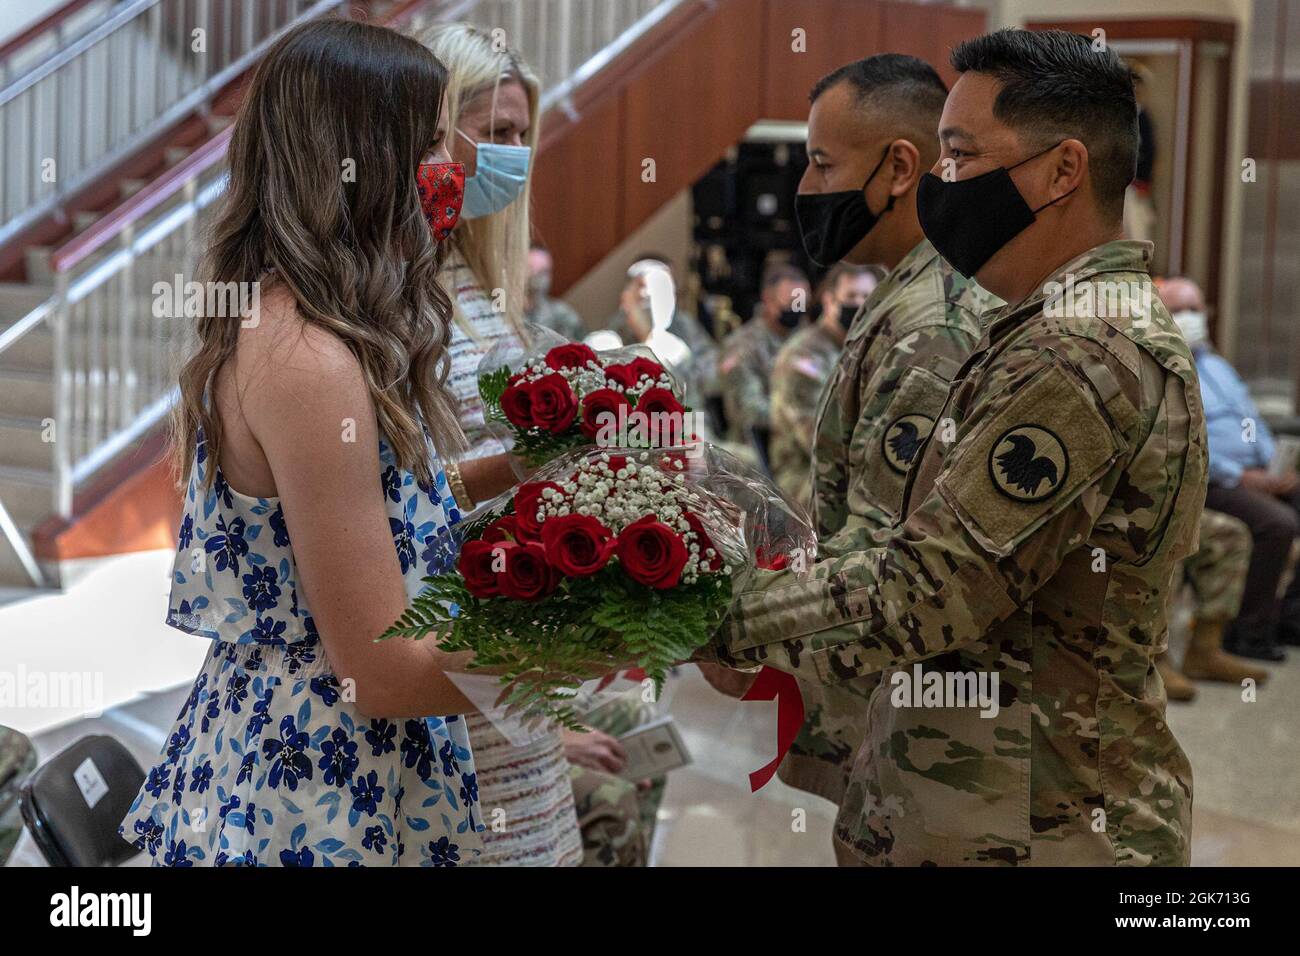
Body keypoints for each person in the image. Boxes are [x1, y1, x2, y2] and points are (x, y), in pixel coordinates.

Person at [709, 28, 1206, 866]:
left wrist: (712, 613)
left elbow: (926, 588)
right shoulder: (1046, 327)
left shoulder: (1076, 353)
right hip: (984, 801)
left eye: (960, 153)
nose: (938, 184)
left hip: (1036, 820)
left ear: (1062, 171)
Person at [119, 19, 523, 866]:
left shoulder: (316, 328)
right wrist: (594, 638)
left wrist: (514, 470)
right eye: (429, 145)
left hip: (327, 764)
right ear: (366, 159)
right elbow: (382, 672)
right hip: (313, 794)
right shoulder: (308, 357)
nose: (449, 172)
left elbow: (368, 511)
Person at [420, 21, 583, 867]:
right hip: (439, 659)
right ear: (430, 127)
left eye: (524, 134)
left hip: (508, 672)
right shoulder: (390, 299)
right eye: (496, 133)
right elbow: (388, 497)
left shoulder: (474, 282)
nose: (515, 155)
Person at [1159, 276, 1300, 661]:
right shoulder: (1164, 365)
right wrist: (1242, 477)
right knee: (1278, 524)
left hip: (1256, 473)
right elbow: (1181, 440)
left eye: (1194, 309)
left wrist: (1274, 466)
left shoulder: (1217, 365)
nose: (1189, 317)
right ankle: (1247, 634)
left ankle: (1289, 618)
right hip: (1213, 480)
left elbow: (1249, 418)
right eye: (1178, 310)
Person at [768, 263, 878, 507]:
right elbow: (819, 440)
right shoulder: (802, 356)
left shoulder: (864, 349)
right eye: (851, 297)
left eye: (867, 298)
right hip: (804, 475)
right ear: (829, 300)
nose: (859, 305)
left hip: (851, 468)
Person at [1156, 508, 1267, 702]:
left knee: (1231, 534)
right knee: (1169, 536)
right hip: (1135, 503)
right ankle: (1152, 659)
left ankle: (1204, 649)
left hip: (1176, 503)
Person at [718, 264, 811, 454]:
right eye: (792, 302)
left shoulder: (809, 340)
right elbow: (748, 412)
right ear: (768, 299)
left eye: (802, 302)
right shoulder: (742, 347)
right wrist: (801, 416)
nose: (797, 309)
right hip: (758, 450)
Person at [525, 242, 585, 340]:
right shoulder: (502, 315)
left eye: (544, 272)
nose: (538, 278)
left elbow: (586, 343)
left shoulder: (560, 314)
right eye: (530, 270)